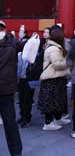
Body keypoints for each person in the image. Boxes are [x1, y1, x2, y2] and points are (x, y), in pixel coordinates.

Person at [37, 25, 71, 131]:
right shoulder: (53, 48)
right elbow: (57, 64)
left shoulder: (55, 47)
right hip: (51, 78)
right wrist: (69, 62)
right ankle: (48, 123)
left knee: (57, 100)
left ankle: (57, 118)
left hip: (56, 77)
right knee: (50, 101)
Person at [0, 20, 23, 156]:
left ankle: (16, 152)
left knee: (10, 123)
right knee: (10, 123)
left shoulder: (14, 43)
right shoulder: (13, 43)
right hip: (7, 89)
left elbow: (27, 48)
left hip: (6, 90)